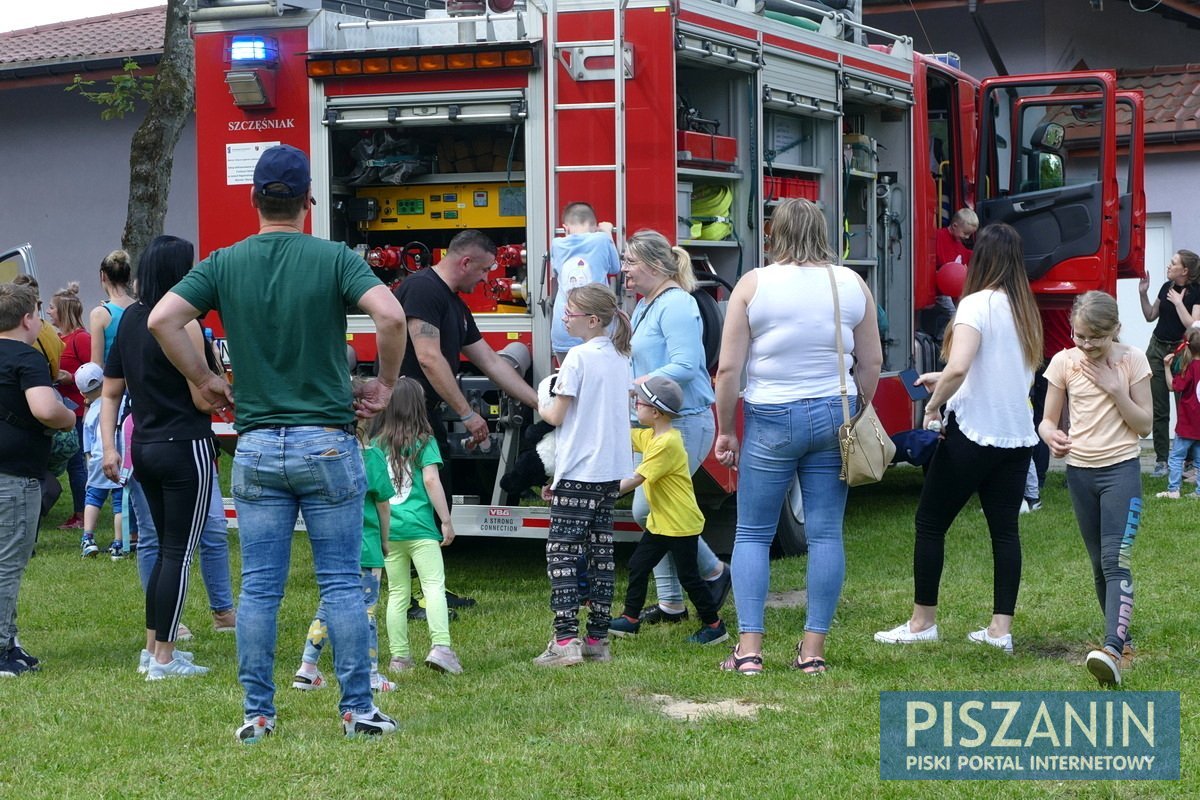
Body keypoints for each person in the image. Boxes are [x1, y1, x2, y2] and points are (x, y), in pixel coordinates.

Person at [147, 144, 408, 740]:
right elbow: (390, 318)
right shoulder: (334, 257)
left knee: (259, 586)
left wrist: (204, 378)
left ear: (253, 198)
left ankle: (258, 714)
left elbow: (162, 318)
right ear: (308, 201)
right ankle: (358, 710)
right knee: (341, 581)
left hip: (258, 446)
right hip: (326, 442)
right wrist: (385, 384)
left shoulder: (224, 262)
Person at [715, 198, 882, 675]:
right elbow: (870, 363)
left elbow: (729, 369)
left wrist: (727, 430)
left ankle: (749, 649)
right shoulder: (850, 283)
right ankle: (812, 652)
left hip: (771, 414)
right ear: (824, 230)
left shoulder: (754, 285)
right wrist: (857, 410)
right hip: (834, 411)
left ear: (774, 234)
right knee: (826, 533)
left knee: (752, 532)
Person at [874, 223, 1043, 656]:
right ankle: (999, 630)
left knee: (930, 523)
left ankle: (922, 622)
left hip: (972, 434)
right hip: (1016, 437)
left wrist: (934, 406)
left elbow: (962, 366)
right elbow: (994, 372)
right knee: (1005, 533)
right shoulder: (1024, 308)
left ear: (980, 258)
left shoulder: (974, 304)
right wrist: (945, 380)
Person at [99, 235, 226, 682]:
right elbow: (203, 399)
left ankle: (152, 648)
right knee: (179, 552)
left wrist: (110, 446)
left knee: (162, 550)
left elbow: (110, 392)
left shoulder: (131, 319)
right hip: (184, 445)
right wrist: (224, 384)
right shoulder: (184, 323)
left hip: (143, 446)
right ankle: (165, 659)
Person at [1040, 291, 1152, 686]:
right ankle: (1121, 637)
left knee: (1114, 559)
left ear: (1115, 331)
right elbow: (1047, 420)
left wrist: (1115, 387)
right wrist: (1052, 435)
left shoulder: (1132, 360)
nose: (1086, 345)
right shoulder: (1063, 362)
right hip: (1080, 474)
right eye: (1080, 336)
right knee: (1097, 563)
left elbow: (1144, 425)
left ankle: (1112, 650)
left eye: (1096, 338)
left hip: (1121, 470)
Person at [620, 229, 731, 628]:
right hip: (651, 421)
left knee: (649, 507)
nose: (625, 270)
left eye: (630, 262)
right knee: (654, 511)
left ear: (653, 266)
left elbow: (686, 366)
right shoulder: (645, 304)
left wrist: (640, 385)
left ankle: (714, 571)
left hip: (685, 420)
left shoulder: (679, 304)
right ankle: (671, 604)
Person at [534, 284, 633, 666]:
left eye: (570, 313)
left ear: (592, 320)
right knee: (600, 551)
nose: (564, 318)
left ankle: (564, 641)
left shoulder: (576, 358)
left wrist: (542, 398)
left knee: (561, 551)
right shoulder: (620, 354)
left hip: (579, 468)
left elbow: (556, 416)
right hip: (610, 469)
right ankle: (598, 639)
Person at [394, 229, 538, 484]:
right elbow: (428, 356)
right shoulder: (423, 289)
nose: (485, 279)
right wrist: (467, 414)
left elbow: (490, 361)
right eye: (484, 270)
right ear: (466, 263)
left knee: (439, 502)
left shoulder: (456, 305)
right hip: (406, 418)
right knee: (419, 511)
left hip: (426, 415)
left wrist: (540, 404)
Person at [609, 376, 728, 646]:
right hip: (661, 522)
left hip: (680, 524)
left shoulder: (666, 444)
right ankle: (630, 620)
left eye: (638, 402)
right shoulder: (652, 435)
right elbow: (625, 436)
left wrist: (602, 493)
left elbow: (636, 480)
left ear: (655, 411)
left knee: (689, 577)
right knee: (638, 565)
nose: (634, 406)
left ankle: (715, 626)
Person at [0, 282, 77, 677]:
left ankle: (9, 640)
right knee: (8, 563)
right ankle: (0, 648)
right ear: (28, 319)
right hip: (15, 474)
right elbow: (46, 409)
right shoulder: (26, 359)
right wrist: (70, 416)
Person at [294, 417, 397, 694]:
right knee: (366, 611)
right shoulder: (373, 456)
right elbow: (383, 504)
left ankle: (307, 669)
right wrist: (386, 541)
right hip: (366, 545)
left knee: (328, 605)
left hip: (332, 544)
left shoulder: (325, 455)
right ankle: (371, 674)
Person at [372, 378, 462, 676]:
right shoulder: (424, 440)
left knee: (397, 593)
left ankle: (399, 658)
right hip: (421, 529)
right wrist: (446, 521)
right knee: (433, 587)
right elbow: (431, 480)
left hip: (389, 532)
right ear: (418, 406)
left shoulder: (376, 443)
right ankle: (441, 648)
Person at [1137, 249, 1200, 476]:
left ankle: (1190, 462)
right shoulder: (1166, 287)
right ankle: (1162, 460)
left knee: (1186, 406)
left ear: (1185, 270)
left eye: (1173, 263)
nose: (1168, 265)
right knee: (1159, 408)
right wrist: (1143, 293)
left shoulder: (1196, 293)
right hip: (1156, 349)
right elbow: (1150, 315)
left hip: (1181, 352)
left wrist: (1178, 303)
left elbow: (1194, 326)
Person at [550, 202, 620, 361]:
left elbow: (555, 272)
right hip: (597, 328)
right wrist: (608, 231)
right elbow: (615, 268)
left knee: (568, 380)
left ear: (565, 228)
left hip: (564, 327)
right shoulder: (601, 239)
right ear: (595, 227)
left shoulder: (557, 244)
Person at [48, 283, 91, 531]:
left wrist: (69, 377)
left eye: (52, 308)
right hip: (61, 410)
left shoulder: (81, 338)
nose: (49, 312)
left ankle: (81, 513)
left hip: (76, 412)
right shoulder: (57, 338)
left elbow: (94, 374)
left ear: (63, 310)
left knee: (76, 464)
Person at [75, 362, 124, 559]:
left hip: (97, 459)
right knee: (119, 501)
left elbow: (87, 446)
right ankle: (119, 542)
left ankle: (88, 538)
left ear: (82, 393)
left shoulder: (90, 414)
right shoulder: (118, 405)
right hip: (119, 456)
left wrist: (90, 467)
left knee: (93, 497)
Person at [1158, 329, 1200, 499]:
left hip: (1187, 425)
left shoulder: (1189, 369)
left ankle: (1173, 490)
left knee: (1176, 457)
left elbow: (1172, 386)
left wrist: (1167, 367)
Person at [89, 249, 135, 365]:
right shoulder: (141, 308)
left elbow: (96, 364)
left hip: (114, 380)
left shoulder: (99, 314)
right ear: (128, 276)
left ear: (103, 276)